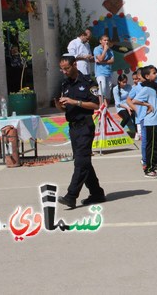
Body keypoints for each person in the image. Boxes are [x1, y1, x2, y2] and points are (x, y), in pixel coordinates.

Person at [55, 55, 105, 208]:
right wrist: (59, 104)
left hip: (85, 125)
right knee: (84, 162)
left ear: (74, 65)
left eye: (67, 68)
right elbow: (63, 107)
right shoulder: (65, 83)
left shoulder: (88, 82)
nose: (64, 72)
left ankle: (71, 196)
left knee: (80, 162)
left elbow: (96, 105)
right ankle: (96, 192)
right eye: (61, 69)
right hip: (73, 127)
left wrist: (75, 102)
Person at [130, 66, 157, 178]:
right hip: (151, 120)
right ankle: (149, 169)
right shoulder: (146, 88)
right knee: (152, 145)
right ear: (147, 76)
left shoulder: (156, 87)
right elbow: (135, 100)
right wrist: (147, 105)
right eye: (153, 73)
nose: (156, 74)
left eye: (156, 72)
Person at [93, 34, 115, 101]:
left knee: (108, 92)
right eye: (104, 40)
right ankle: (101, 106)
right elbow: (100, 59)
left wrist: (101, 62)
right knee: (102, 88)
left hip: (108, 73)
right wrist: (105, 50)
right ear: (100, 41)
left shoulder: (110, 50)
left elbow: (112, 61)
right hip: (100, 73)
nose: (106, 42)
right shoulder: (97, 49)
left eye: (107, 40)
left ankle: (106, 108)